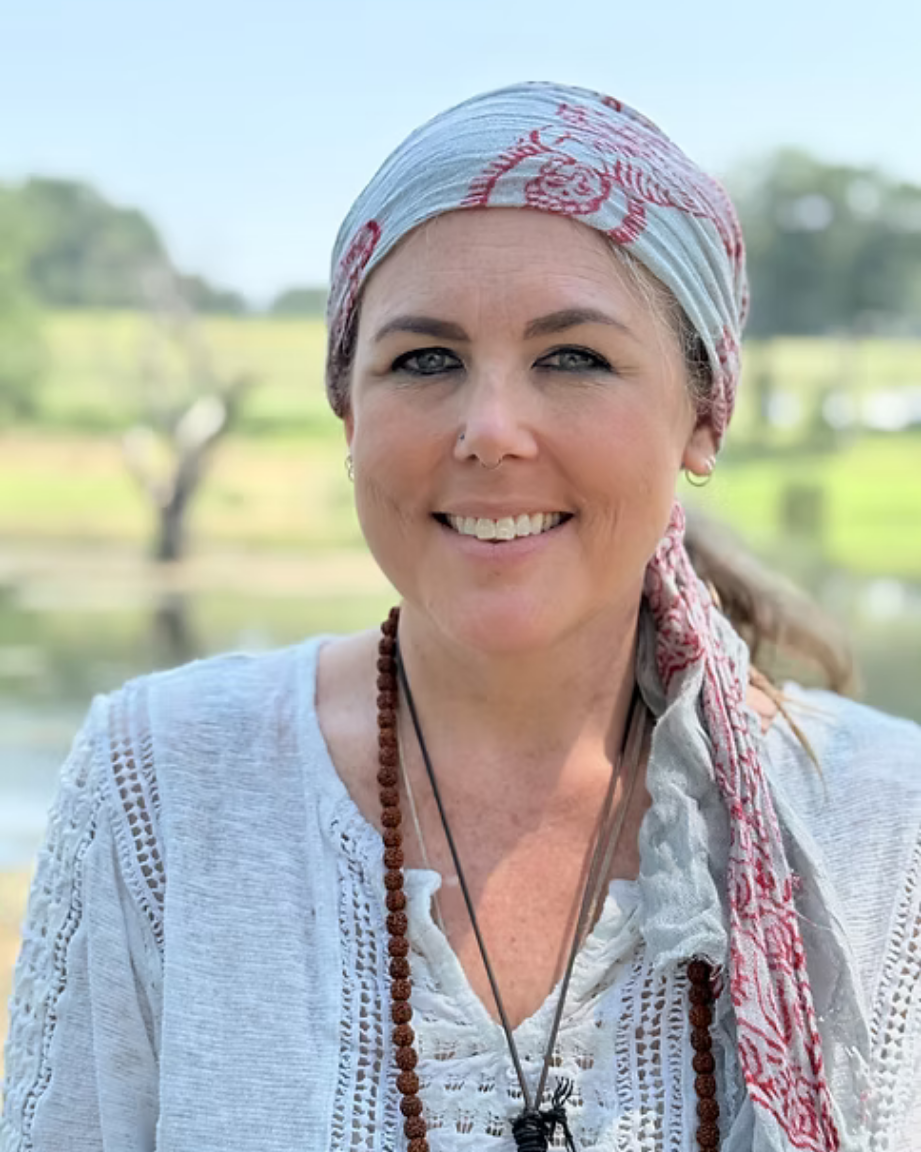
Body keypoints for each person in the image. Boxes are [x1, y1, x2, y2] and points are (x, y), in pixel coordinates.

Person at [2, 82, 919, 1152]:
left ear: (702, 416)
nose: (490, 429)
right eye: (424, 359)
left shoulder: (889, 825)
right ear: (349, 411)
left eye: (573, 357)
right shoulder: (160, 784)